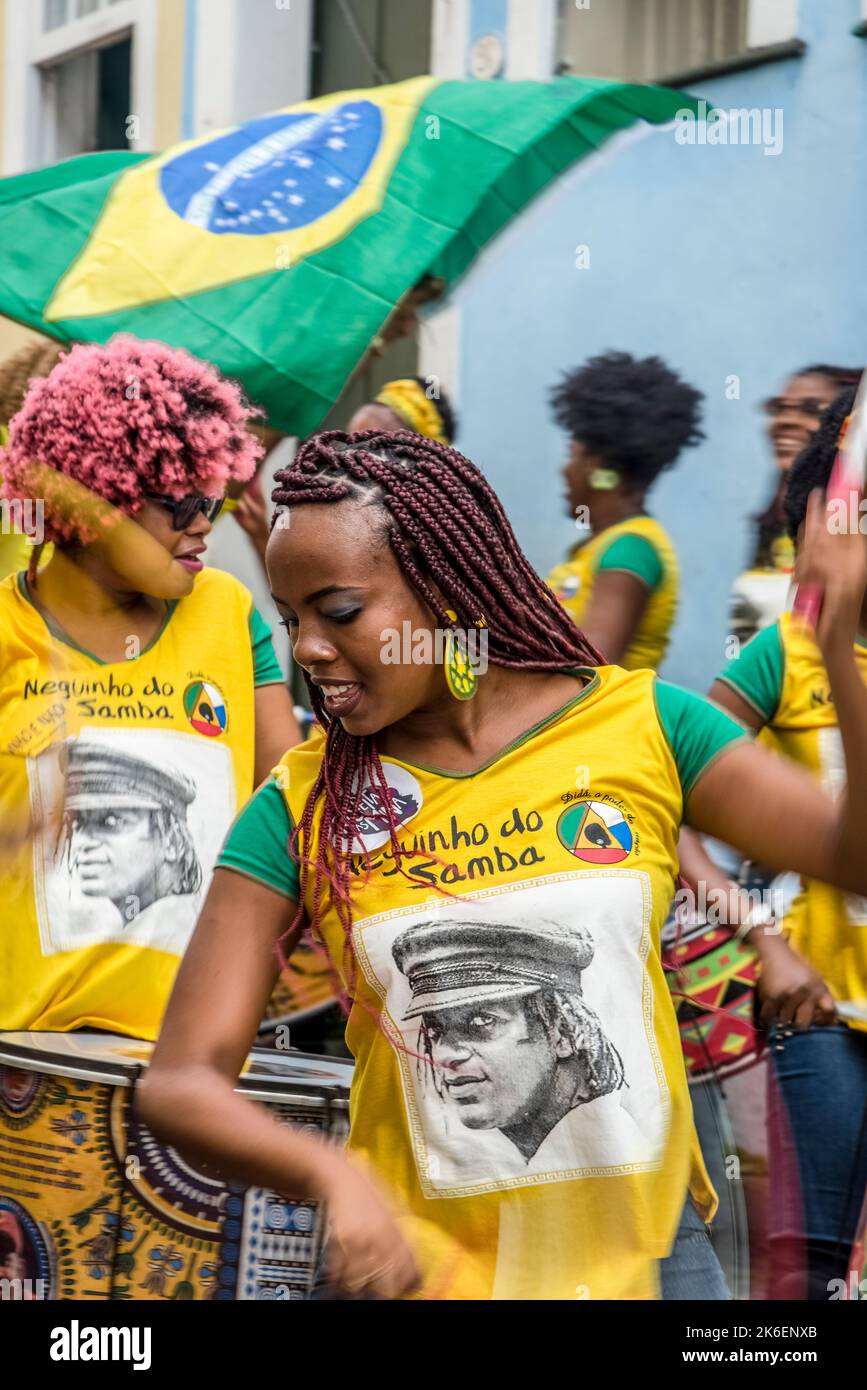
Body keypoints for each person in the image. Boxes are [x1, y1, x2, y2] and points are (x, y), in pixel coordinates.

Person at [140, 427, 867, 1301]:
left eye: (338, 614)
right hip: (429, 1274)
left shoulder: (644, 727)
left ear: (448, 591)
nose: (305, 650)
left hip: (651, 1265)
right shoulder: (303, 803)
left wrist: (836, 649)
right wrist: (333, 1178)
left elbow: (848, 855)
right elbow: (180, 1082)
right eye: (291, 620)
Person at [0, 335, 300, 1039]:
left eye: (214, 501)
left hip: (196, 1064)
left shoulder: (226, 611)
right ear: (94, 501)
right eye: (177, 503)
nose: (203, 525)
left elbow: (288, 817)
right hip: (29, 1066)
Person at [710, 385, 867, 1298]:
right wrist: (760, 939)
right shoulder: (782, 653)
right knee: (800, 1281)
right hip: (821, 1017)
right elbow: (656, 798)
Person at [545, 351, 704, 669]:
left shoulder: (630, 550)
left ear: (597, 466)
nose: (564, 470)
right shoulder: (597, 547)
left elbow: (590, 671)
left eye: (572, 455)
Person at [728, 364, 860, 646]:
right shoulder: (775, 524)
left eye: (811, 410)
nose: (785, 421)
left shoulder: (853, 528)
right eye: (780, 409)